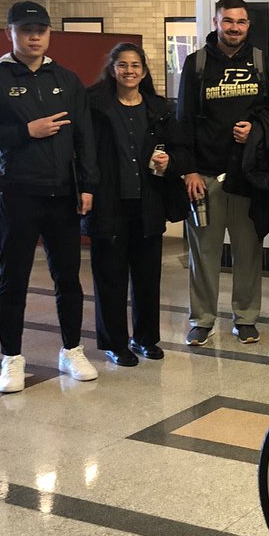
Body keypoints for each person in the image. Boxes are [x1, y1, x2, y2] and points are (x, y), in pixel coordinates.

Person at [0, 1, 100, 393]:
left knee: (68, 278)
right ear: (11, 33)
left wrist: (88, 185)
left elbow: (84, 137)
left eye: (41, 30)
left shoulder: (67, 80)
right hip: (19, 195)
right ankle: (11, 359)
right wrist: (26, 130)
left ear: (50, 33)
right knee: (14, 279)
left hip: (63, 195)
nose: (34, 37)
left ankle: (72, 349)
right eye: (26, 30)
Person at [174, 0, 269, 347]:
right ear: (215, 22)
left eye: (240, 22)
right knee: (204, 252)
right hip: (205, 177)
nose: (234, 27)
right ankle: (202, 319)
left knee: (248, 250)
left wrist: (256, 129)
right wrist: (188, 171)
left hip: (248, 177)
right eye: (228, 21)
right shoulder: (196, 65)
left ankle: (246, 317)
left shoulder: (263, 65)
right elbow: (182, 123)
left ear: (248, 25)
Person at [83, 43, 187, 367]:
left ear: (144, 71)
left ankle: (145, 338)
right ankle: (115, 342)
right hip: (109, 204)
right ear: (112, 69)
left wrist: (170, 160)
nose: (130, 71)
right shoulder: (94, 105)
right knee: (111, 278)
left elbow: (179, 148)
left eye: (136, 66)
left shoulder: (158, 108)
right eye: (123, 65)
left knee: (147, 277)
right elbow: (83, 151)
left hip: (148, 203)